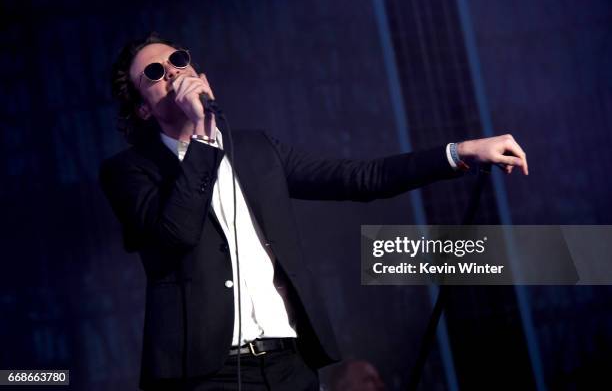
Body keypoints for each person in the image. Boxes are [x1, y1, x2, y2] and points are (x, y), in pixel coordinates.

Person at [99, 33, 528, 391]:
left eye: (178, 60)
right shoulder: (129, 171)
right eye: (154, 73)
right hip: (205, 375)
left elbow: (361, 177)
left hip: (289, 365)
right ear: (142, 108)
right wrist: (203, 140)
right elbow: (175, 233)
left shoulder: (257, 150)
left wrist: (459, 152)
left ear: (201, 76)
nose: (172, 71)